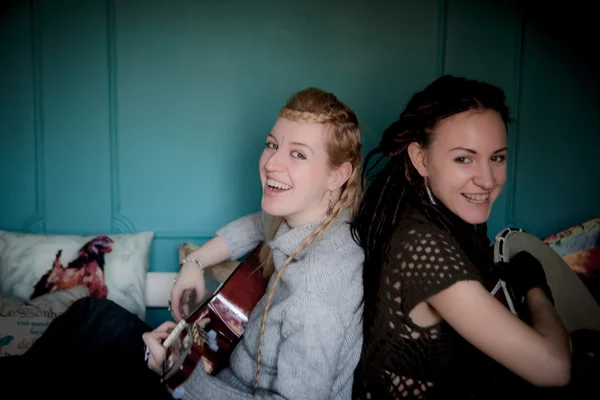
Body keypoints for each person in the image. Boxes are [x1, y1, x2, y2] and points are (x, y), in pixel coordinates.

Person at [1, 87, 365, 400]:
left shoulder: (318, 287)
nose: (272, 163)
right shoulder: (312, 222)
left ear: (338, 174)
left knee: (86, 343)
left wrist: (179, 373)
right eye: (272, 145)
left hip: (198, 389)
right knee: (94, 318)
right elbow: (258, 224)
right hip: (211, 374)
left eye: (298, 153)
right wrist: (194, 264)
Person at [349, 75, 572, 399]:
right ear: (420, 158)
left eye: (496, 157)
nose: (486, 179)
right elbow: (554, 368)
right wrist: (535, 288)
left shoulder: (419, 211)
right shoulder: (422, 248)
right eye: (463, 158)